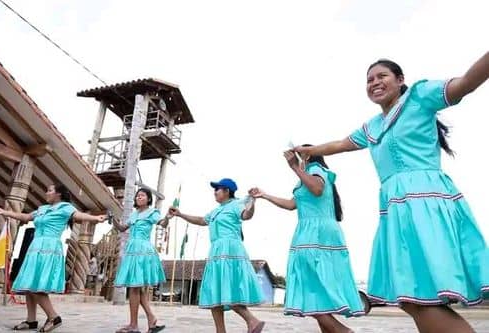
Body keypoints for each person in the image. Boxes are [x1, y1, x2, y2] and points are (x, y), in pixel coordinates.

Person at [295, 53, 489, 333]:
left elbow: (468, 82)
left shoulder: (420, 96)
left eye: (382, 76)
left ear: (400, 81)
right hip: (396, 208)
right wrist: (310, 151)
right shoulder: (372, 126)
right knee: (411, 298)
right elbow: (341, 143)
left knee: (423, 296)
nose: (374, 82)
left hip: (426, 203)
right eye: (369, 79)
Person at [250, 147, 363, 333]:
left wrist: (295, 166)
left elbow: (318, 189)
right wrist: (264, 195)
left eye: (300, 154)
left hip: (316, 233)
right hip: (311, 231)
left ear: (307, 155)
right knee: (318, 291)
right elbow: (291, 204)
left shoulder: (315, 169)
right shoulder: (305, 177)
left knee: (309, 289)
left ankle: (344, 331)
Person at [0, 183, 105, 332]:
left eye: (50, 190)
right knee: (28, 286)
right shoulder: (42, 209)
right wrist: (3, 212)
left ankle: (53, 317)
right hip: (34, 248)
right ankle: (31, 321)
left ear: (59, 194)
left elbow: (79, 216)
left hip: (49, 249)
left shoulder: (65, 208)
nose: (46, 192)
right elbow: (25, 216)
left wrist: (95, 218)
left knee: (38, 286)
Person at [167, 178, 265, 333]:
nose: (215, 192)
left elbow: (247, 215)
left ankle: (251, 320)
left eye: (217, 189)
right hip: (216, 251)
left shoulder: (236, 204)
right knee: (215, 292)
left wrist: (253, 201)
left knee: (228, 289)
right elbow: (201, 220)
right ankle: (221, 330)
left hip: (230, 250)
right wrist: (180, 214)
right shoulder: (216, 210)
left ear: (227, 191)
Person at [112, 188, 168, 333]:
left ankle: (134, 325)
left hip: (143, 250)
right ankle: (150, 319)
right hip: (132, 250)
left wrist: (167, 218)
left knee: (134, 286)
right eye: (138, 196)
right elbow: (123, 228)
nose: (138, 197)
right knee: (136, 286)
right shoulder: (134, 214)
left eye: (142, 196)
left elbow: (162, 223)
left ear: (149, 199)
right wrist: (113, 219)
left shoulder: (153, 212)